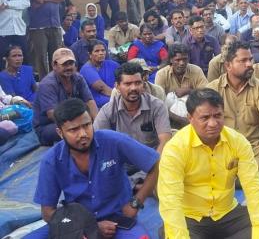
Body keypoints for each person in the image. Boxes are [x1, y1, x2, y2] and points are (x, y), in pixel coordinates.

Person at [26, 98, 159, 239]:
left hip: (117, 222)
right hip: (76, 224)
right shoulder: (51, 160)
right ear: (60, 133)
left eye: (87, 125)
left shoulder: (113, 141)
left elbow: (156, 164)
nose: (83, 133)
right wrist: (88, 226)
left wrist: (136, 203)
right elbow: (48, 213)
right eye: (74, 129)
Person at [158, 88, 259, 239]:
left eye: (218, 116)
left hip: (228, 213)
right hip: (190, 217)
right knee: (169, 233)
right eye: (205, 118)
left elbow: (254, 187)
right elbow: (170, 199)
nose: (213, 123)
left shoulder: (237, 141)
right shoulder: (175, 148)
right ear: (190, 118)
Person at [207, 41, 259, 178]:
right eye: (243, 60)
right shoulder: (213, 89)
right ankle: (245, 177)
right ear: (228, 66)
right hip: (221, 147)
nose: (249, 64)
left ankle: (230, 178)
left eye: (250, 59)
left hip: (252, 146)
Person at [94, 62, 171, 154]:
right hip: (121, 163)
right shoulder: (107, 111)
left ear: (143, 84)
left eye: (138, 83)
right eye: (128, 84)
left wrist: (155, 165)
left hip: (152, 161)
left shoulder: (157, 106)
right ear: (117, 86)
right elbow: (98, 142)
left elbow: (165, 141)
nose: (133, 88)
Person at [33, 48, 98, 146]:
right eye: (64, 64)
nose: (68, 67)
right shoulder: (47, 84)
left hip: (75, 119)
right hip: (49, 125)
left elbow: (89, 101)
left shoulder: (78, 78)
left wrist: (97, 123)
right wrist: (79, 124)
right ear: (54, 65)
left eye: (71, 63)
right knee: (74, 132)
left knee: (100, 120)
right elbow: (52, 114)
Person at [22, 0, 65, 80]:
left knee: (56, 56)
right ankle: (46, 84)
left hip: (55, 24)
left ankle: (58, 81)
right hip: (38, 27)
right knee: (41, 59)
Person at [155, 43, 207, 125]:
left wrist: (189, 91)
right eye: (178, 60)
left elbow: (206, 94)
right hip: (169, 117)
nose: (182, 63)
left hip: (194, 113)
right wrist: (182, 120)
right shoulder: (161, 74)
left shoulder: (196, 70)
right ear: (171, 60)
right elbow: (158, 105)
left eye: (184, 59)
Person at [0, 0, 30, 70]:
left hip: (19, 30)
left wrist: (7, 4)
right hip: (3, 31)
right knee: (4, 64)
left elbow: (26, 3)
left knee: (24, 61)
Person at [80, 40, 120, 108]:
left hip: (115, 101)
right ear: (90, 54)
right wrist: (122, 97)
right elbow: (102, 89)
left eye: (103, 50)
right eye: (97, 51)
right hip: (98, 106)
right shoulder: (86, 69)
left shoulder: (112, 64)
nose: (101, 53)